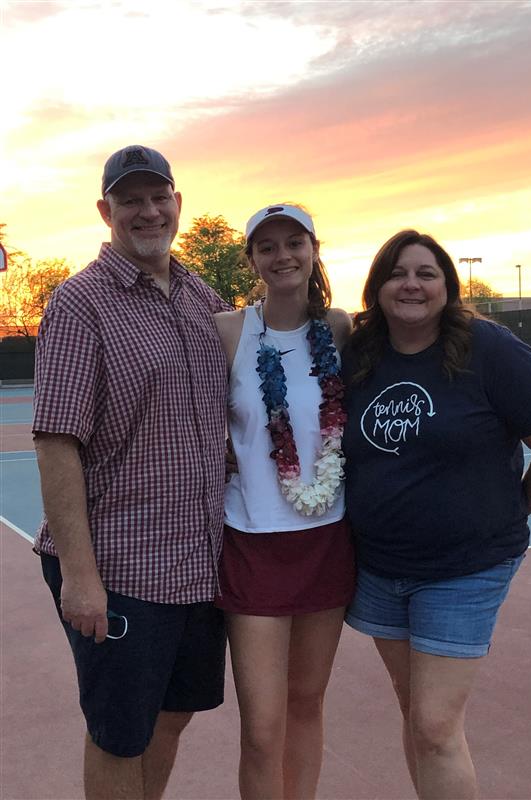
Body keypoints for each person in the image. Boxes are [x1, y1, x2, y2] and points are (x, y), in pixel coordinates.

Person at [341, 229, 531, 800]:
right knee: (420, 719)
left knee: (432, 725)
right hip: (380, 567)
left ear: (448, 287)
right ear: (377, 287)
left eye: (427, 274)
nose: (411, 284)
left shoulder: (491, 350)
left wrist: (507, 510)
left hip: (464, 570)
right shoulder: (359, 355)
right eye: (398, 273)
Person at [33, 145, 231, 800]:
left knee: (173, 716)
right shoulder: (80, 304)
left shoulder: (205, 299)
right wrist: (82, 580)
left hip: (198, 563)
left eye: (158, 197)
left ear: (177, 203)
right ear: (106, 211)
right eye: (131, 200)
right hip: (120, 567)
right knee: (120, 733)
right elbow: (58, 442)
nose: (148, 212)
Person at [213, 204, 355, 800]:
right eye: (267, 247)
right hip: (252, 543)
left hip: (328, 540)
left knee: (306, 704)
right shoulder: (229, 330)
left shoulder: (342, 328)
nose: (283, 255)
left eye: (294, 241)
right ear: (252, 262)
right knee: (262, 727)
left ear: (314, 249)